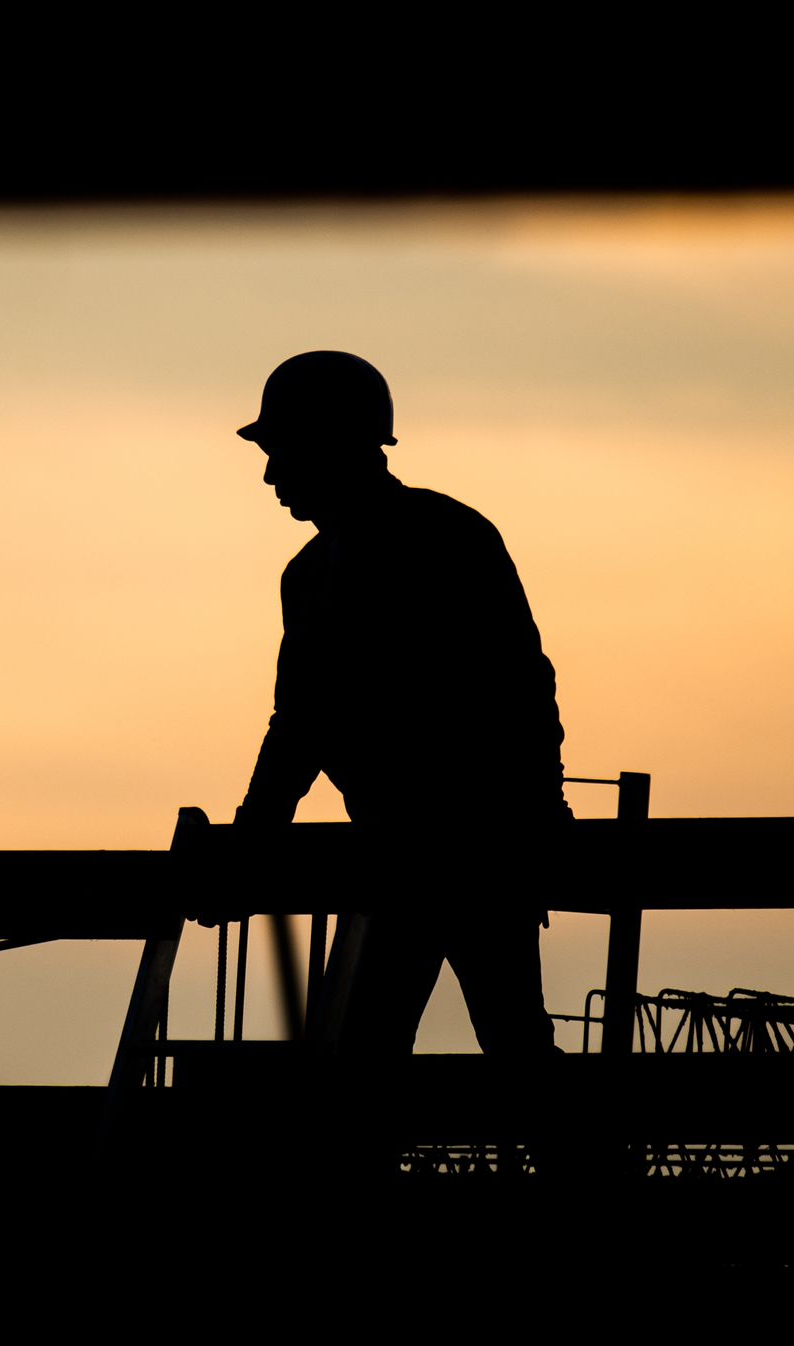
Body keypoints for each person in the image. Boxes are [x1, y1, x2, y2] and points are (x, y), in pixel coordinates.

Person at [233, 351, 569, 1057]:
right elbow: (300, 724)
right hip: (404, 859)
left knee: (494, 1049)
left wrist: (535, 815)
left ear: (332, 446)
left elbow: (518, 686)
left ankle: (576, 1169)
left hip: (476, 854)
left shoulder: (443, 539)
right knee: (365, 1059)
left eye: (282, 453)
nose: (270, 477)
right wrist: (251, 838)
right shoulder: (314, 573)